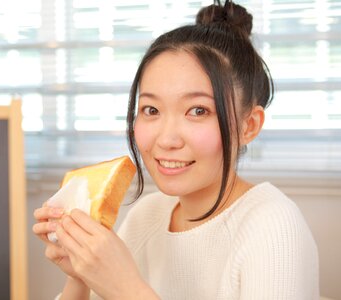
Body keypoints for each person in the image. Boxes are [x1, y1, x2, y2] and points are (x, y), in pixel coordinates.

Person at [33, 1, 319, 299]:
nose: (167, 139)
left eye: (198, 110)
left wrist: (126, 289)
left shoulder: (273, 225)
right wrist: (82, 276)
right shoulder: (147, 216)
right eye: (151, 109)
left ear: (249, 126)